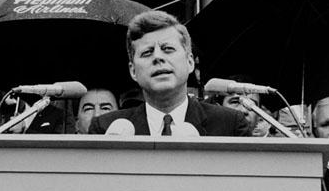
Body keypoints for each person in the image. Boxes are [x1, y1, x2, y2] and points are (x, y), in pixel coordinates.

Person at [89, 11, 250, 136]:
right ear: (133, 71)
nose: (158, 57)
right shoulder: (105, 127)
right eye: (147, 52)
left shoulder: (230, 124)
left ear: (190, 62)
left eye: (168, 49)